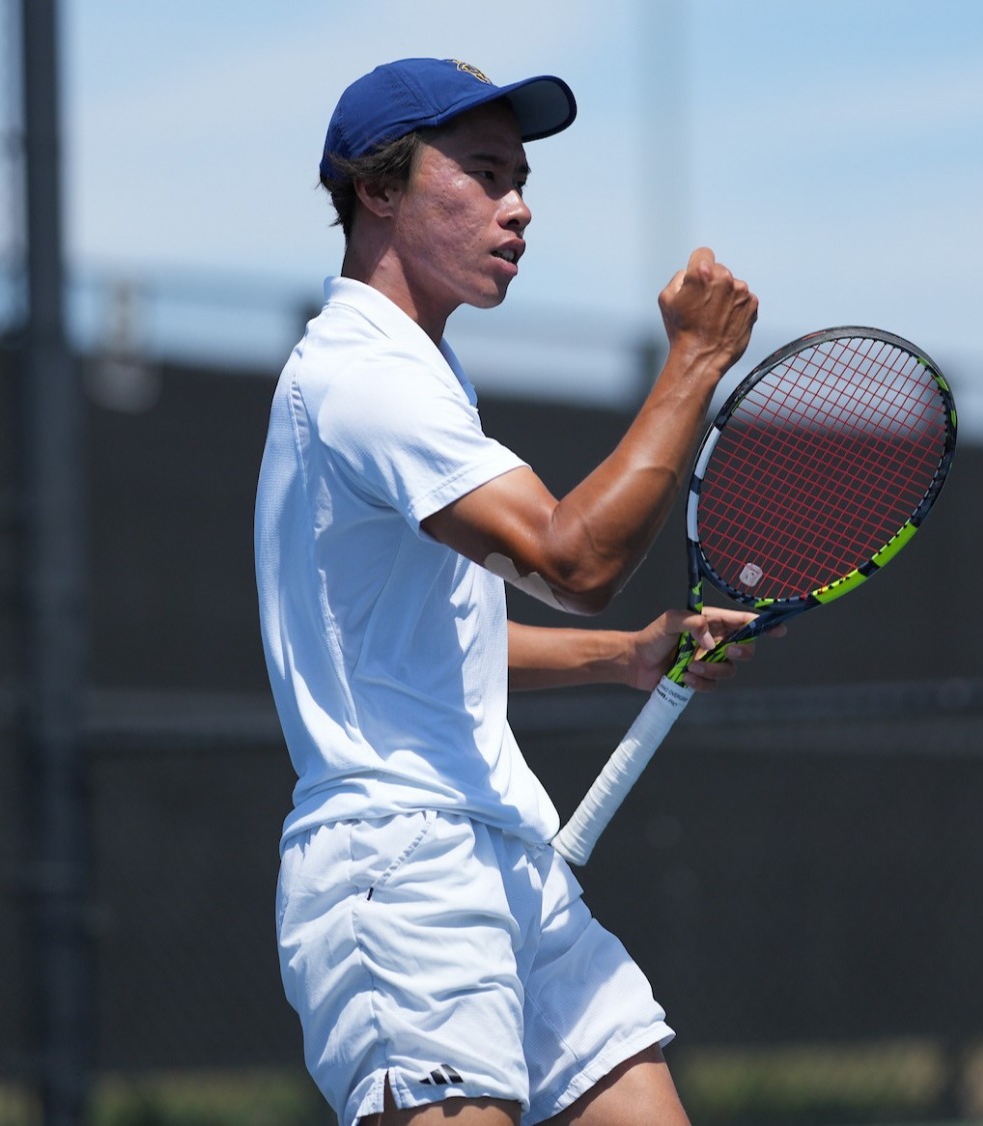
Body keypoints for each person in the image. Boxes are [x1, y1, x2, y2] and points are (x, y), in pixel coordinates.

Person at [253, 57, 763, 1126]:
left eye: (520, 177)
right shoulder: (364, 377)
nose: (517, 206)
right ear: (376, 189)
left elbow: (429, 641)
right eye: (482, 174)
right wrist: (691, 365)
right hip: (401, 880)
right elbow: (572, 558)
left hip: (506, 864)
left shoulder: (422, 374)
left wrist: (623, 655)